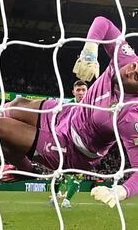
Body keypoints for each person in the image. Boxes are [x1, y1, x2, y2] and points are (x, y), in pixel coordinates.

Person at [0, 16, 138, 208]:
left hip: (72, 148)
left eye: (137, 77)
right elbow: (103, 23)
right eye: (134, 66)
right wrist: (90, 52)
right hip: (67, 114)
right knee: (18, 103)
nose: (129, 71)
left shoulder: (130, 116)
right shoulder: (125, 60)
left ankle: (26, 171)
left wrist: (121, 191)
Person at [52, 80, 88, 209]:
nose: (81, 93)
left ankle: (66, 200)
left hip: (82, 149)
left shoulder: (92, 106)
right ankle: (55, 196)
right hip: (65, 145)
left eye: (83, 90)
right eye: (78, 90)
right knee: (58, 174)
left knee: (77, 177)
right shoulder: (67, 107)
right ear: (73, 92)